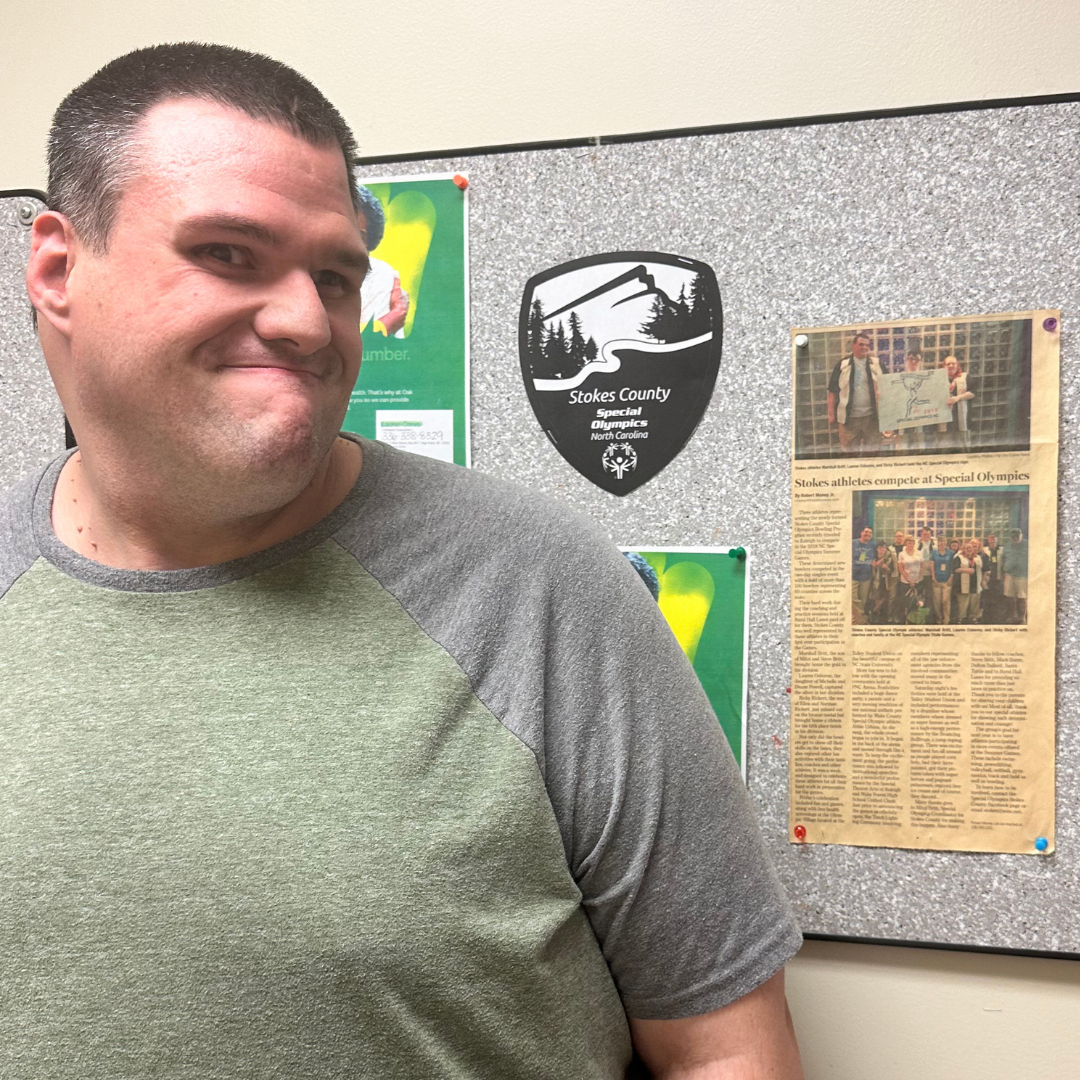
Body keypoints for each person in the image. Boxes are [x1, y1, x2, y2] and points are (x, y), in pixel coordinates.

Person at [8, 44, 803, 1079]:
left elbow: (726, 1055)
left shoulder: (541, 590)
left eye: (335, 275)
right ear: (60, 270)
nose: (306, 319)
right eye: (231, 253)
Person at [356, 184, 410, 337]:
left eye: (359, 237)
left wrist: (382, 325)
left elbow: (381, 353)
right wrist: (384, 324)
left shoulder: (379, 273)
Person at [827, 331, 883, 455]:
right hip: (849, 420)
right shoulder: (842, 365)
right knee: (849, 454)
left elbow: (890, 386)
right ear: (854, 345)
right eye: (861, 345)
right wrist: (831, 415)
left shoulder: (877, 364)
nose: (865, 348)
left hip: (872, 419)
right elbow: (832, 391)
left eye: (867, 345)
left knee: (873, 454)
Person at [936, 355, 975, 451]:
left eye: (953, 363)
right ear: (943, 366)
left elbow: (973, 393)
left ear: (957, 365)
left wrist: (958, 398)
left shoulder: (965, 377)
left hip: (961, 417)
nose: (950, 366)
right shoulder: (937, 379)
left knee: (963, 447)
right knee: (944, 447)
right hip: (944, 419)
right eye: (947, 364)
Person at [1001, 528, 1029, 624]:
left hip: (1023, 575)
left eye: (1017, 536)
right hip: (1009, 575)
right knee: (1010, 597)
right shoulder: (1007, 546)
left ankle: (1022, 618)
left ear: (1021, 535)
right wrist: (1002, 573)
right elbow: (1003, 559)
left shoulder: (1028, 544)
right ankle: (1012, 616)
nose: (1015, 538)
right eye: (1013, 536)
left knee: (1022, 597)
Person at [930, 536, 958, 625]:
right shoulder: (934, 553)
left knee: (945, 601)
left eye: (944, 541)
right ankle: (939, 619)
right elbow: (931, 566)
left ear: (946, 543)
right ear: (938, 543)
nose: (942, 543)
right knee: (937, 602)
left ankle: (946, 620)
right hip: (936, 581)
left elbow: (952, 567)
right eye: (940, 541)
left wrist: (951, 577)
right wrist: (933, 577)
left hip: (947, 581)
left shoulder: (950, 553)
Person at [897, 536, 926, 622]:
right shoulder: (902, 554)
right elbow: (901, 568)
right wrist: (909, 580)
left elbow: (922, 566)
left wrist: (918, 578)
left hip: (918, 581)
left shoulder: (919, 553)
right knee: (906, 602)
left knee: (917, 601)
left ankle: (915, 619)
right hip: (905, 582)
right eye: (908, 542)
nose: (910, 543)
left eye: (912, 542)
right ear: (905, 543)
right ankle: (906, 619)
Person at [868, 540, 897, 624]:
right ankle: (877, 613)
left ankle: (874, 610)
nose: (881, 549)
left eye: (883, 547)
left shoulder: (889, 557)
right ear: (877, 549)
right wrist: (873, 566)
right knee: (877, 597)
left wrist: (886, 568)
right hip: (876, 580)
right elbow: (871, 570)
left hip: (886, 580)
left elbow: (892, 570)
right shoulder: (874, 557)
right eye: (880, 547)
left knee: (885, 596)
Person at [852, 526, 875, 621]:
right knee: (852, 597)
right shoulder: (853, 543)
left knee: (863, 599)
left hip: (866, 577)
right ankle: (860, 616)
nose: (867, 534)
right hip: (853, 576)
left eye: (870, 533)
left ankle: (858, 618)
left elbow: (881, 552)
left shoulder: (873, 545)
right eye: (866, 532)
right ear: (861, 533)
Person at [981, 533, 1003, 624]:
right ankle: (987, 618)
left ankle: (997, 618)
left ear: (997, 540)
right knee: (987, 598)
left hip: (998, 578)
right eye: (991, 539)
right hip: (988, 579)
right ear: (988, 540)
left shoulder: (1002, 550)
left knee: (998, 598)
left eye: (994, 539)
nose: (993, 540)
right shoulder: (984, 550)